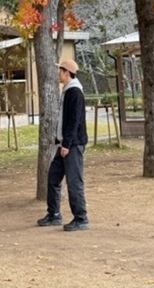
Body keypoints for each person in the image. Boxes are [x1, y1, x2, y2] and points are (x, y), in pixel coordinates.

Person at [37, 58, 89, 231]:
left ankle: (81, 218)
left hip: (72, 145)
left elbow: (74, 121)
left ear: (67, 73)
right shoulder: (67, 90)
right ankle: (54, 214)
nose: (58, 73)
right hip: (64, 144)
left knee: (74, 182)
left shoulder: (75, 92)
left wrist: (66, 144)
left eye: (60, 70)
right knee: (53, 178)